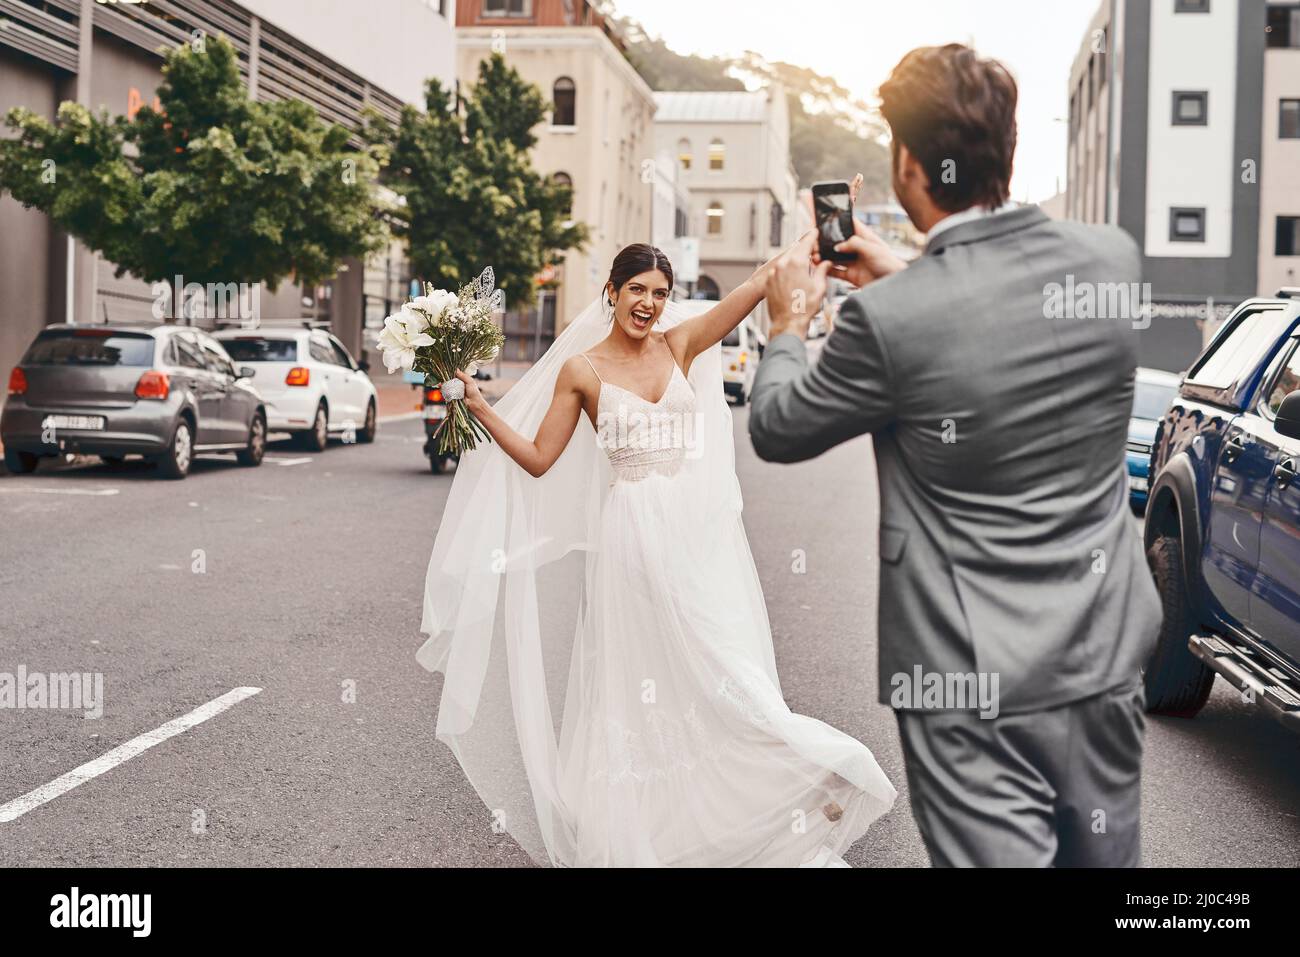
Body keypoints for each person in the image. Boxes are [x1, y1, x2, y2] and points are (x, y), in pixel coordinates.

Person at [749, 43, 1162, 867]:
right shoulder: (1112, 262)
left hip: (967, 683)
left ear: (907, 165)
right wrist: (906, 275)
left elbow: (779, 425)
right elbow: (1006, 323)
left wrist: (789, 325)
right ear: (1009, 151)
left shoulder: (888, 322)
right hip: (1103, 656)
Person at [417, 240, 896, 867]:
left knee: (723, 668)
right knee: (651, 690)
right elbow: (538, 461)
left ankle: (809, 776)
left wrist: (817, 236)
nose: (649, 303)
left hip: (695, 540)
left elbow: (755, 286)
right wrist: (480, 406)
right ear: (611, 292)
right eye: (638, 289)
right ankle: (655, 835)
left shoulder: (679, 346)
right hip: (630, 541)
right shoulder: (581, 372)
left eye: (661, 294)